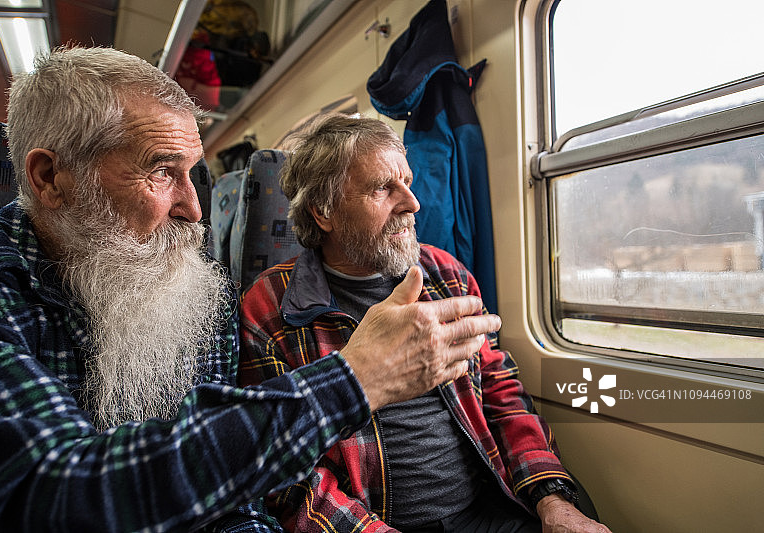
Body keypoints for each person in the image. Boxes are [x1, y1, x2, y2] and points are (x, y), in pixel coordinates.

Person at [0, 47, 503, 532]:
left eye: (192, 174)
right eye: (160, 172)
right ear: (50, 177)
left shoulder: (201, 297)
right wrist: (355, 379)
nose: (194, 210)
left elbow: (239, 504)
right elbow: (49, 493)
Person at [238, 114, 612, 533]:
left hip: (490, 506)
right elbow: (288, 474)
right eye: (383, 188)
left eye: (408, 183)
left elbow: (499, 391)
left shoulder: (445, 274)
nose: (412, 204)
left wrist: (552, 500)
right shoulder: (269, 309)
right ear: (323, 213)